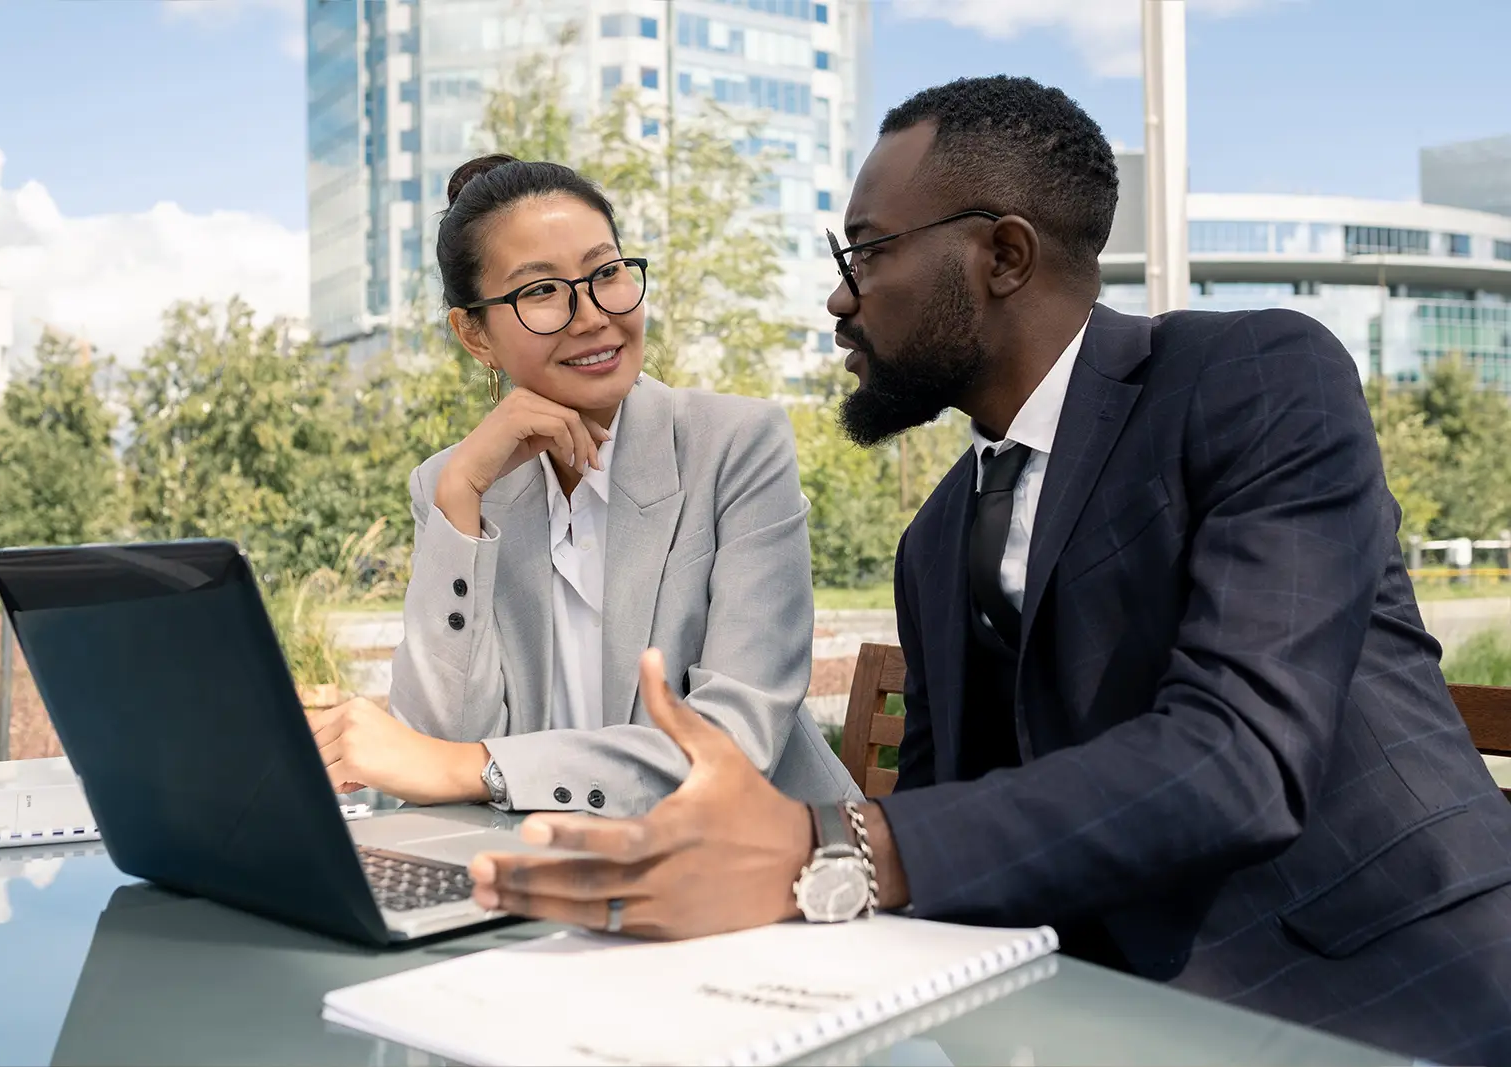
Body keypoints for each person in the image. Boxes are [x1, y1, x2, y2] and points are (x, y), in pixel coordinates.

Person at [464, 78, 1511, 1062]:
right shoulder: (933, 540)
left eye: (865, 252)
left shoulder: (1255, 378)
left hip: (1391, 986)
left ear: (1002, 255)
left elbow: (1238, 756)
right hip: (1080, 1009)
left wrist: (825, 846)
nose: (838, 298)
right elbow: (947, 826)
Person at [312, 154, 858, 817]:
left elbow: (729, 747)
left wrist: (472, 765)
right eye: (540, 291)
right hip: (541, 871)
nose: (592, 314)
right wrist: (460, 497)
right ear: (474, 334)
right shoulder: (448, 484)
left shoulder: (739, 444)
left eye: (607, 273)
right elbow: (433, 748)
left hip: (762, 872)